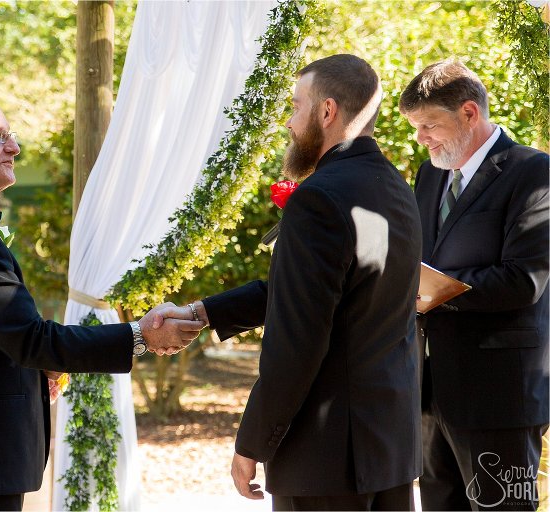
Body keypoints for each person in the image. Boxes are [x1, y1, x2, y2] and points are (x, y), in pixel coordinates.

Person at [0, 88, 203, 511]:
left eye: (10, 134)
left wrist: (39, 369)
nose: (14, 147)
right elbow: (30, 339)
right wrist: (140, 335)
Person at [156, 54, 423, 510]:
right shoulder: (395, 187)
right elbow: (327, 296)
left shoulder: (320, 198)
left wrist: (253, 442)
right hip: (389, 448)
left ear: (327, 111)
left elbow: (299, 339)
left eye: (297, 106)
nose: (288, 122)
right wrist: (203, 313)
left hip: (327, 456)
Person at [400, 59, 549, 511]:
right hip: (430, 393)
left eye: (429, 125)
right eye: (416, 126)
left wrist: (432, 291)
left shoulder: (534, 172)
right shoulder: (429, 175)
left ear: (469, 113)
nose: (420, 138)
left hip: (500, 397)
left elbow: (525, 280)